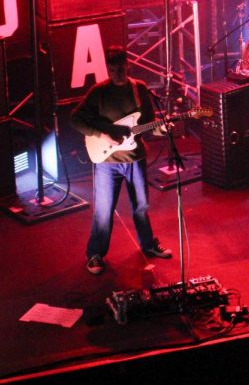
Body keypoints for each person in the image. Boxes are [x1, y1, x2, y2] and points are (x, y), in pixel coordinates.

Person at [70, 46, 172, 275]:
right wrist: (101, 134)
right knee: (104, 211)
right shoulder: (99, 92)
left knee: (141, 206)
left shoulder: (139, 89)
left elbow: (149, 125)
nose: (118, 73)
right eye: (113, 69)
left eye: (121, 68)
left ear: (128, 66)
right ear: (108, 69)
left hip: (135, 159)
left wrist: (162, 130)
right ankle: (95, 255)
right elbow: (75, 119)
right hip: (107, 161)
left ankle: (147, 245)